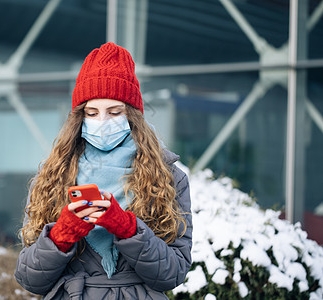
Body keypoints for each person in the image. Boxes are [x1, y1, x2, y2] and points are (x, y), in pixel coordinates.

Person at [14, 42, 192, 299]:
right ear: (79, 116)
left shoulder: (168, 177)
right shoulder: (51, 177)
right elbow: (29, 279)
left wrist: (128, 229)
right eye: (92, 112)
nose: (102, 122)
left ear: (131, 115)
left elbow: (172, 273)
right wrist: (61, 236)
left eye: (114, 111)